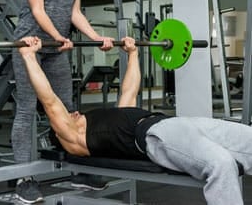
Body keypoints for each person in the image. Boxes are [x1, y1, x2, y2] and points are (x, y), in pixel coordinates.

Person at [18, 36, 252, 205]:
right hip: (159, 138)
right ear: (57, 130)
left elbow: (129, 90)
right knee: (220, 164)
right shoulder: (71, 136)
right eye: (68, 115)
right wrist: (30, 57)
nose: (74, 112)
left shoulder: (109, 120)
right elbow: (49, 99)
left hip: (179, 124)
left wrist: (133, 54)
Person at [12, 0, 114, 203]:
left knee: (68, 110)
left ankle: (78, 170)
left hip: (57, 49)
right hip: (29, 45)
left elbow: (74, 12)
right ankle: (24, 177)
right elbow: (38, 10)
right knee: (27, 111)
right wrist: (58, 36)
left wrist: (95, 37)